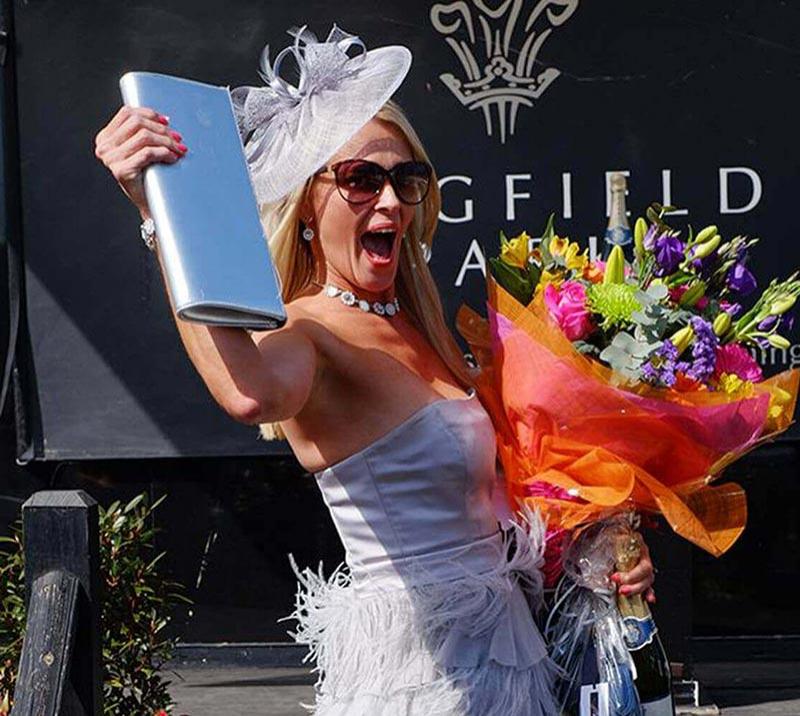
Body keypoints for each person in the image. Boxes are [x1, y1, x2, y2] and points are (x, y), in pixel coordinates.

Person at [94, 25, 654, 716]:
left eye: (405, 179)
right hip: (425, 681)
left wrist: (603, 552)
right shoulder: (308, 328)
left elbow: (503, 500)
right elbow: (248, 392)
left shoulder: (426, 326)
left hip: (509, 656)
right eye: (361, 179)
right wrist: (159, 217)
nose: (389, 201)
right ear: (308, 204)